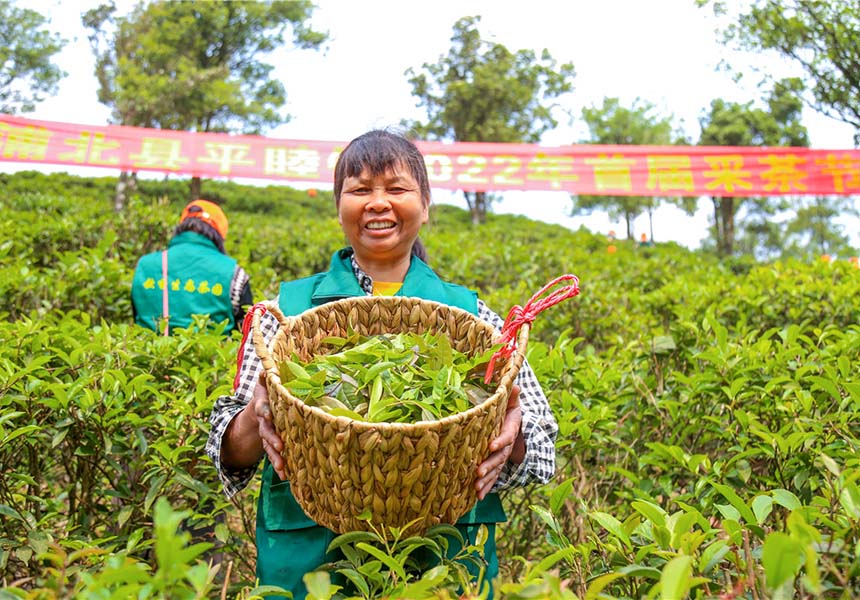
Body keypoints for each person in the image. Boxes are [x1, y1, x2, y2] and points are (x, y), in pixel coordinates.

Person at [205, 130, 558, 599]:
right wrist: (257, 415)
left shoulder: (476, 319)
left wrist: (508, 431)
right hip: (312, 564)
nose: (377, 203)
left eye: (396, 189)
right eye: (359, 189)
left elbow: (541, 443)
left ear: (425, 205)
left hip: (444, 557)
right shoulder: (285, 315)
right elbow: (226, 449)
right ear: (339, 207)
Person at [131, 199, 252, 335]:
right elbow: (246, 330)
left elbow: (137, 314)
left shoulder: (144, 265)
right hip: (214, 355)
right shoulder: (234, 273)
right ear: (219, 234)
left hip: (148, 352)